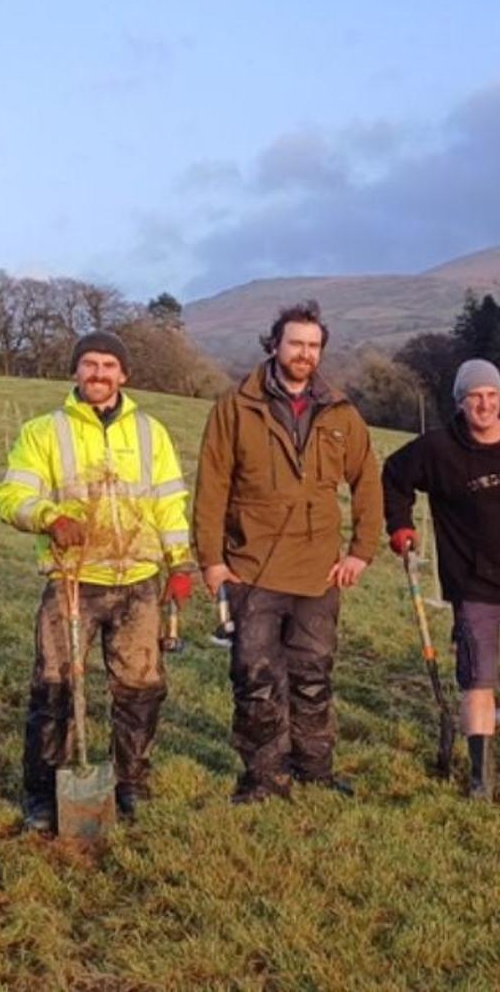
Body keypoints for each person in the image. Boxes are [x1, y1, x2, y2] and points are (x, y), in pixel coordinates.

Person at [0, 330, 195, 830]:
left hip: (140, 582)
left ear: (123, 374)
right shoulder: (45, 431)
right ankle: (43, 793)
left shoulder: (151, 433)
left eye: (109, 365)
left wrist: (180, 564)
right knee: (54, 690)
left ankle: (130, 782)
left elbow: (169, 504)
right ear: (76, 372)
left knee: (141, 690)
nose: (99, 374)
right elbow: (10, 496)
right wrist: (47, 517)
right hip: (72, 580)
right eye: (89, 364)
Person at [193, 301, 382, 803]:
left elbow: (367, 480)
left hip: (320, 573)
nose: (304, 353)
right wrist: (211, 561)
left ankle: (314, 769)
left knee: (313, 677)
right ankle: (263, 777)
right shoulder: (235, 408)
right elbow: (210, 486)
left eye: (313, 345)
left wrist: (361, 551)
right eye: (295, 343)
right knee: (256, 680)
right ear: (274, 344)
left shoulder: (341, 413)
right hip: (252, 569)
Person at [383, 359, 500, 799]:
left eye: (491, 396)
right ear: (460, 402)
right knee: (478, 680)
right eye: (474, 397)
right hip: (473, 585)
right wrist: (400, 525)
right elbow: (393, 475)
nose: (484, 404)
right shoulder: (438, 449)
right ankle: (482, 778)